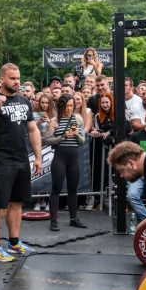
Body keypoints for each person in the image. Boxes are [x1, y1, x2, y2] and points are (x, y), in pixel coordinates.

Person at [0, 63, 43, 262]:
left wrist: (37, 157)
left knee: (17, 202)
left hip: (21, 159)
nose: (17, 82)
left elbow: (32, 130)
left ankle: (13, 243)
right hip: (0, 159)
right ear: (2, 79)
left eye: (18, 78)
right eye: (12, 78)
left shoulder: (24, 101)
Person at [44, 94, 86, 231]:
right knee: (56, 189)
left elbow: (82, 141)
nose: (69, 108)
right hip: (60, 157)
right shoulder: (55, 121)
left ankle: (74, 218)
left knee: (73, 189)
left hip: (74, 157)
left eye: (71, 106)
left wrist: (76, 135)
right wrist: (62, 137)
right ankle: (53, 220)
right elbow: (49, 141)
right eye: (67, 106)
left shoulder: (78, 119)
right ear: (61, 106)